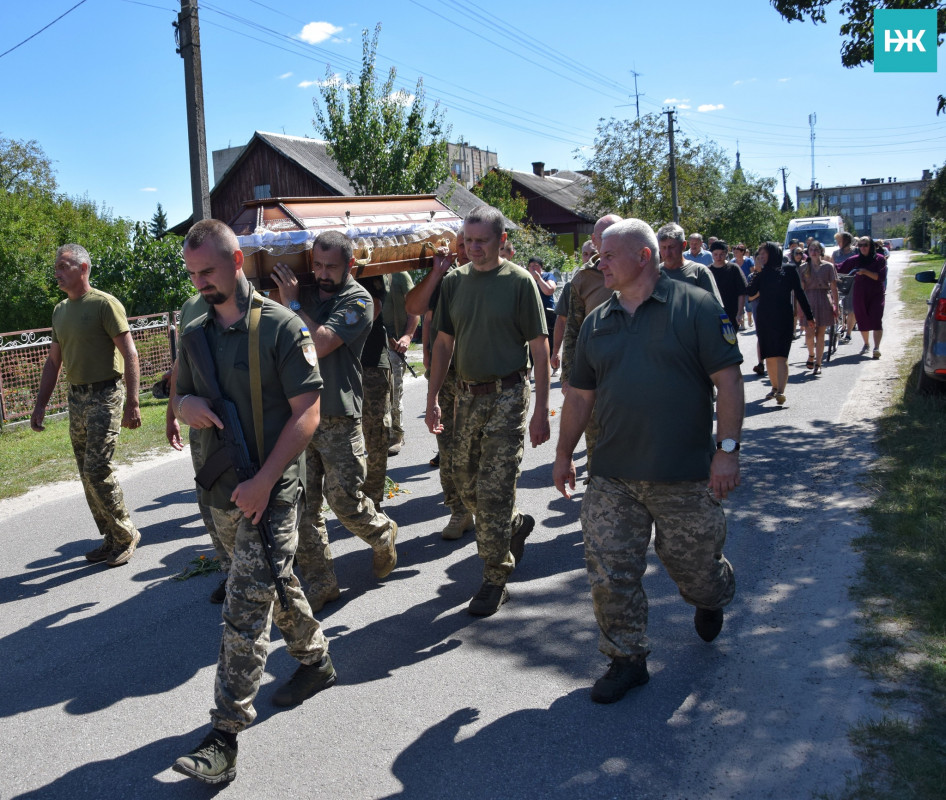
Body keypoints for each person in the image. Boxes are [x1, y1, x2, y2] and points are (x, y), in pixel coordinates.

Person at [552, 218, 742, 704]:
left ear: (643, 257)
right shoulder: (597, 321)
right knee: (609, 566)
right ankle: (626, 659)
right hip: (613, 473)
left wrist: (726, 452)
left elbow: (728, 383)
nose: (600, 264)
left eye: (609, 255)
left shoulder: (696, 308)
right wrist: (563, 454)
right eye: (599, 257)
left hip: (683, 474)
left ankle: (712, 593)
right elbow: (578, 396)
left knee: (693, 566)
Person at [172, 219, 332, 784]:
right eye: (192, 274)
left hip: (273, 489)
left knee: (243, 608)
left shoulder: (282, 329)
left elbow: (307, 413)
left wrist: (265, 479)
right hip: (218, 487)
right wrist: (183, 405)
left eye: (209, 272)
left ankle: (224, 736)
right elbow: (179, 386)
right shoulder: (194, 323)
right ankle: (315, 661)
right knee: (273, 581)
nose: (200, 284)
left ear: (237, 261)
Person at [426, 205, 550, 616]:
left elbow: (539, 348)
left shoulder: (519, 282)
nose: (473, 248)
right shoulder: (454, 283)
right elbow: (443, 344)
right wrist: (430, 401)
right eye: (468, 240)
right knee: (463, 482)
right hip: (465, 396)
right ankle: (512, 526)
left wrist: (541, 410)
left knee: (494, 491)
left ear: (501, 241)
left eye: (482, 241)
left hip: (509, 394)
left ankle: (495, 577)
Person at [270, 231, 399, 612]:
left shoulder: (359, 300)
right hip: (298, 413)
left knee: (343, 500)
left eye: (332, 266)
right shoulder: (304, 293)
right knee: (304, 507)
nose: (323, 273)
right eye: (318, 265)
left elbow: (321, 342)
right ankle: (322, 582)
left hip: (338, 413)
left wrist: (291, 301)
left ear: (350, 266)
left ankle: (381, 533)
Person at [30, 244, 142, 567]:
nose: (57, 272)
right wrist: (40, 405)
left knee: (97, 468)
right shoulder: (60, 311)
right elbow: (53, 363)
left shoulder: (105, 305)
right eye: (57, 267)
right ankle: (110, 537)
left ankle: (126, 533)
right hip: (76, 398)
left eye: (64, 266)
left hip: (106, 394)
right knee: (85, 472)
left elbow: (130, 353)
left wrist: (133, 402)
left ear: (83, 269)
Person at [405, 225, 475, 540]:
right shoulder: (445, 280)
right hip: (448, 379)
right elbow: (415, 309)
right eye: (460, 244)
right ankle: (459, 512)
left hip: (483, 379)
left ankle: (489, 511)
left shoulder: (490, 279)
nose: (464, 250)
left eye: (471, 243)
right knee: (447, 450)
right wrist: (436, 273)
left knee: (478, 451)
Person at [166, 294, 231, 603]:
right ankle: (231, 570)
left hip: (241, 419)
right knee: (209, 497)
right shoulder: (192, 307)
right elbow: (182, 365)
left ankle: (274, 562)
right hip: (203, 426)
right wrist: (172, 414)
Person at [561, 214, 622, 475]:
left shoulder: (646, 270)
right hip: (595, 372)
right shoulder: (582, 279)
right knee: (596, 435)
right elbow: (572, 330)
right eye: (603, 238)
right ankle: (597, 483)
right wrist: (568, 375)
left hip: (635, 369)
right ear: (594, 242)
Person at [746, 242, 815, 405]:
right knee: (769, 355)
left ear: (773, 254)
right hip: (765, 317)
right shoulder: (761, 273)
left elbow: (799, 293)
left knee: (781, 355)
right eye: (759, 255)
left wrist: (809, 316)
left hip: (784, 316)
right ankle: (774, 388)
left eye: (764, 254)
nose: (761, 257)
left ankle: (781, 392)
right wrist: (757, 272)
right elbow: (750, 292)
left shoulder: (789, 269)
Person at [358, 274, 393, 506]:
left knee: (375, 433)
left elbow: (374, 305)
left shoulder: (369, 265)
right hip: (337, 363)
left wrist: (336, 337)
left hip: (370, 361)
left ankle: (372, 500)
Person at [382, 270, 419, 456]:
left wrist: (407, 336)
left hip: (394, 346)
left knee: (395, 393)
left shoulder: (399, 276)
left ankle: (396, 435)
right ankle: (380, 435)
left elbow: (414, 309)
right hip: (373, 345)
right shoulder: (364, 275)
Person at [838, 237, 887, 359]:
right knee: (862, 320)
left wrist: (865, 272)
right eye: (860, 245)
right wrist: (823, 261)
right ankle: (866, 344)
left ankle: (876, 348)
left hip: (876, 294)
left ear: (871, 246)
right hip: (860, 293)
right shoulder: (855, 260)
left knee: (876, 319)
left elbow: (880, 277)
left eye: (865, 245)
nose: (862, 248)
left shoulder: (880, 259)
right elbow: (839, 267)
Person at [655, 223, 723, 305]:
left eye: (672, 247)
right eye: (663, 247)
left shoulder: (699, 272)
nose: (667, 253)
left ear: (683, 245)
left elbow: (715, 308)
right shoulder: (653, 274)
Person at [799, 241, 839, 375]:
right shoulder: (804, 267)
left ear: (821, 251)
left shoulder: (828, 267)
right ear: (808, 251)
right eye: (811, 249)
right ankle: (811, 354)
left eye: (816, 249)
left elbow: (834, 288)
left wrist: (835, 306)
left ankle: (818, 363)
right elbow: (801, 290)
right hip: (809, 301)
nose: (814, 252)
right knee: (809, 335)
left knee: (820, 334)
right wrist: (800, 309)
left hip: (824, 299)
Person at [707, 240, 748, 330]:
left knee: (731, 340)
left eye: (721, 254)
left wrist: (740, 313)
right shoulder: (707, 270)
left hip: (731, 312)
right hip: (713, 313)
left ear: (726, 254)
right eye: (715, 254)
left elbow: (742, 292)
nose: (718, 257)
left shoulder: (733, 268)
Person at [527, 256, 557, 369]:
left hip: (548, 313)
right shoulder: (527, 278)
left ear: (541, 266)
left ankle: (554, 365)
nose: (533, 268)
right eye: (531, 266)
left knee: (551, 340)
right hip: (532, 314)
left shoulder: (548, 276)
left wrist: (539, 279)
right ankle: (530, 370)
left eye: (536, 265)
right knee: (531, 341)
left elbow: (549, 290)